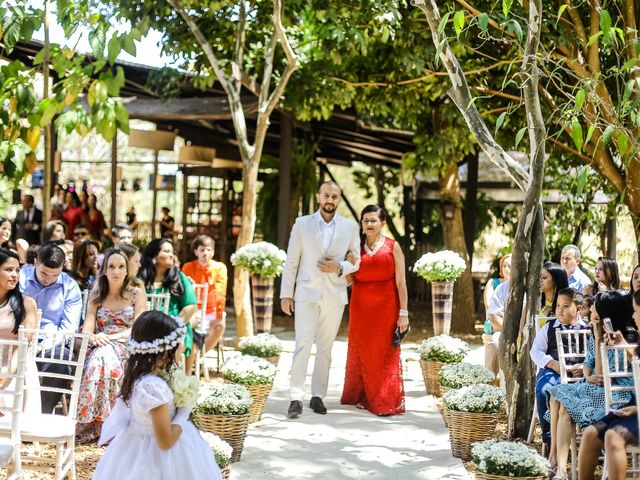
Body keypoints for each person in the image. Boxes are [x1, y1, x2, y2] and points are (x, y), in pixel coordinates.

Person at [93, 311, 222, 479]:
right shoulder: (153, 387)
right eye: (178, 343)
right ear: (164, 350)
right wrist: (183, 414)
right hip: (156, 457)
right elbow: (165, 442)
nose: (182, 347)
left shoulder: (142, 375)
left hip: (135, 447)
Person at [280, 181, 360, 418]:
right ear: (318, 197)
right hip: (305, 293)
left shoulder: (350, 227)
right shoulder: (302, 224)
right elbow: (291, 261)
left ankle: (318, 396)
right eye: (326, 195)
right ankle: (296, 397)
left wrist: (339, 266)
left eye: (335, 196)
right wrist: (286, 294)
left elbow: (356, 261)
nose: (330, 200)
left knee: (325, 348)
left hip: (335, 295)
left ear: (339, 199)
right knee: (302, 345)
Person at [547, 291, 636, 480]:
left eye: (595, 308)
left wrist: (598, 341)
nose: (591, 311)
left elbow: (603, 374)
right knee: (559, 398)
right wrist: (589, 375)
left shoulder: (625, 337)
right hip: (596, 386)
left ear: (605, 313)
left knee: (564, 405)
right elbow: (590, 366)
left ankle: (558, 464)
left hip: (618, 394)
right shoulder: (597, 332)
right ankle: (559, 466)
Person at [340, 205, 408, 416]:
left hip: (387, 306)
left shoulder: (392, 246)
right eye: (365, 220)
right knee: (362, 351)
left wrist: (403, 313)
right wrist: (347, 266)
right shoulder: (356, 248)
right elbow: (350, 282)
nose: (368, 224)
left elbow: (401, 282)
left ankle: (383, 400)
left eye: (373, 220)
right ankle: (362, 396)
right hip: (360, 308)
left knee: (384, 351)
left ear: (382, 223)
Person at [76, 248, 147, 443]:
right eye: (112, 266)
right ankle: (97, 424)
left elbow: (138, 328)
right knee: (100, 359)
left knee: (105, 360)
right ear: (104, 269)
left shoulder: (136, 293)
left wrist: (111, 338)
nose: (116, 271)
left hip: (126, 345)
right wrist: (95, 337)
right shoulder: (97, 293)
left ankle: (107, 424)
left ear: (127, 270)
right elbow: (87, 329)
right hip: (99, 345)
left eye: (121, 266)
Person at [577, 289, 640, 480]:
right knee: (589, 434)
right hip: (635, 402)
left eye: (637, 311)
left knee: (612, 437)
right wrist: (622, 344)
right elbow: (638, 361)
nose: (634, 316)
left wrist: (636, 409)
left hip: (636, 407)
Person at [19, 243, 82, 412]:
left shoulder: (70, 287)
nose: (48, 279)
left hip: (52, 343)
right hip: (18, 339)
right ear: (36, 263)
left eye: (55, 275)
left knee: (61, 361)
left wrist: (43, 345)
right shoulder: (20, 278)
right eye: (44, 273)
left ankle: (41, 413)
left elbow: (68, 329)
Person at [530, 287, 588, 450]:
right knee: (544, 390)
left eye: (565, 306)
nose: (560, 311)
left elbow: (595, 354)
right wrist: (551, 363)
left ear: (578, 308)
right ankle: (549, 438)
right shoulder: (549, 327)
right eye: (558, 306)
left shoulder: (588, 329)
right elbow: (535, 351)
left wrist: (585, 368)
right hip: (553, 371)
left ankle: (591, 439)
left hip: (580, 376)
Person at [139, 239, 197, 360]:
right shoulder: (140, 279)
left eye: (172, 252)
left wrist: (172, 327)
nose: (171, 255)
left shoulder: (179, 278)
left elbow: (190, 306)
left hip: (175, 327)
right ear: (154, 255)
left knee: (176, 344)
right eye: (166, 251)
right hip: (145, 328)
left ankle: (167, 376)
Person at [0, 248, 41, 414]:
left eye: (17, 270)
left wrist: (7, 371)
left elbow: (24, 343)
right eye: (9, 270)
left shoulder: (27, 303)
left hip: (15, 363)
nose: (15, 275)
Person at [181, 235, 227, 375]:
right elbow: (182, 291)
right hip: (193, 311)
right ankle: (192, 362)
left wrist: (218, 315)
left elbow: (220, 292)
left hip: (210, 310)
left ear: (213, 252)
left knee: (220, 326)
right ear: (196, 251)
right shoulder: (188, 267)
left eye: (208, 250)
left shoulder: (219, 268)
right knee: (190, 329)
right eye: (202, 250)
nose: (205, 253)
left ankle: (195, 358)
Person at [482, 253, 511, 373]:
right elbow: (490, 307)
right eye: (504, 266)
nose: (507, 269)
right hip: (495, 321)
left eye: (510, 266)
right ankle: (490, 375)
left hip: (509, 322)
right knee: (496, 338)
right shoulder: (493, 283)